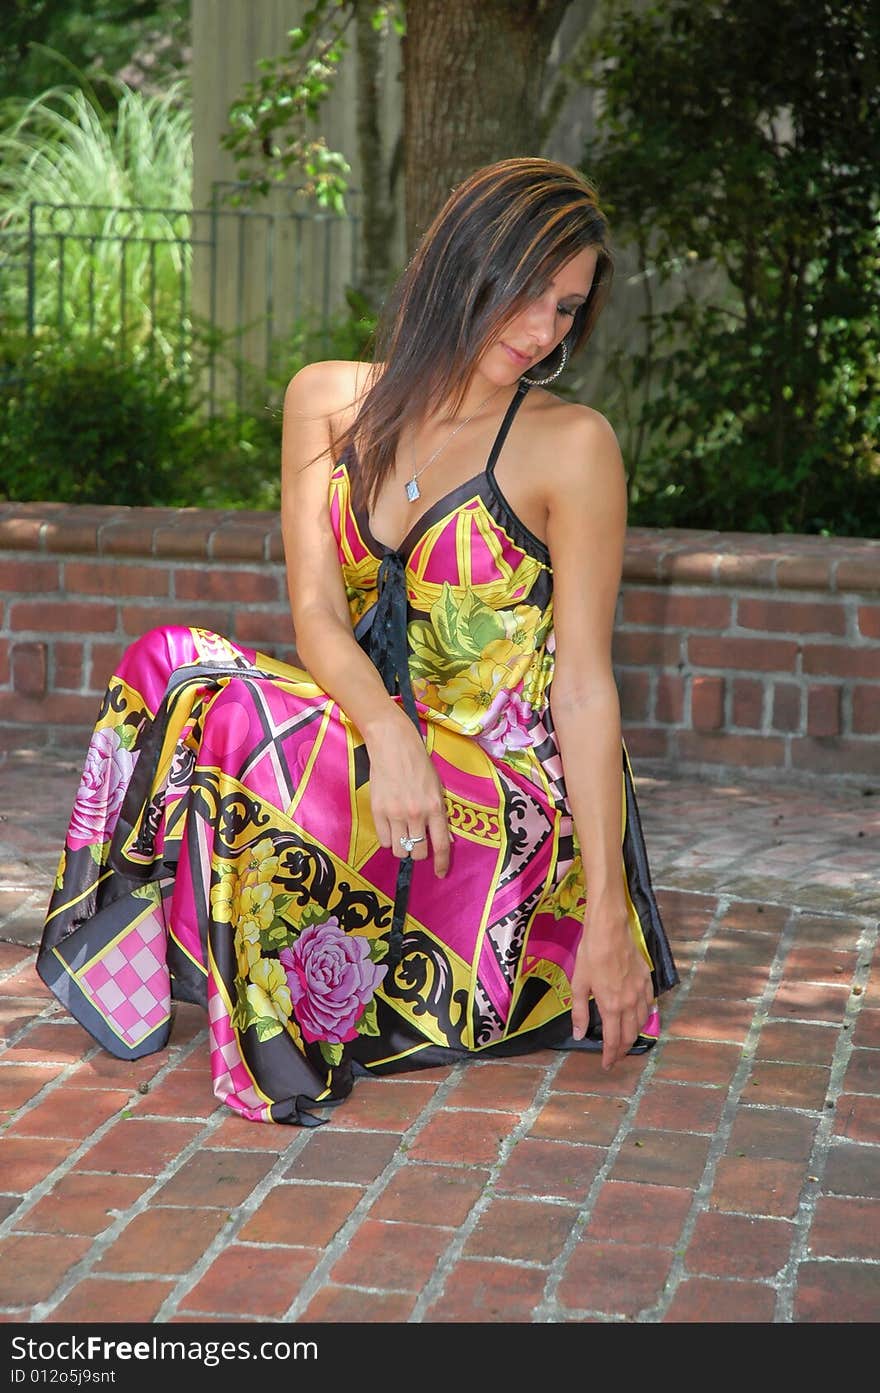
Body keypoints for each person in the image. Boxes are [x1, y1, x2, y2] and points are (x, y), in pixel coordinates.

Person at [37, 156, 678, 1126]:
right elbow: (318, 616)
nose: (543, 330)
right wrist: (386, 728)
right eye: (528, 294)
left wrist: (608, 919)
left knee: (243, 714)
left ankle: (270, 1029)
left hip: (503, 810)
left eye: (566, 309)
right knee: (169, 659)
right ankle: (125, 968)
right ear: (464, 268)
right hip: (388, 763)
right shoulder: (327, 399)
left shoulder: (571, 443)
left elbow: (585, 687)